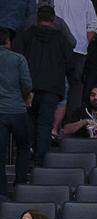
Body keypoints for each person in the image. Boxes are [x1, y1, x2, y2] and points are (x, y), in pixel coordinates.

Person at [12, 5, 72, 163]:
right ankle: (40, 162)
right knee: (45, 125)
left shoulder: (27, 35)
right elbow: (70, 63)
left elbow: (17, 57)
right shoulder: (60, 38)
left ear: (37, 18)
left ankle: (26, 158)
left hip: (29, 89)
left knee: (29, 123)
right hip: (52, 89)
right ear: (53, 19)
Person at [0, 27, 33, 200]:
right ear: (8, 41)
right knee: (23, 148)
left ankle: (2, 192)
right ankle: (20, 184)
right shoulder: (18, 58)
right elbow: (27, 83)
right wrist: (25, 96)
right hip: (17, 110)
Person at [53, 0, 97, 113]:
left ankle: (71, 119)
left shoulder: (85, 1)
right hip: (61, 50)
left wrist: (84, 43)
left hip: (73, 51)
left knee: (74, 84)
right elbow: (93, 26)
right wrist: (84, 43)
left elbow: (93, 25)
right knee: (70, 84)